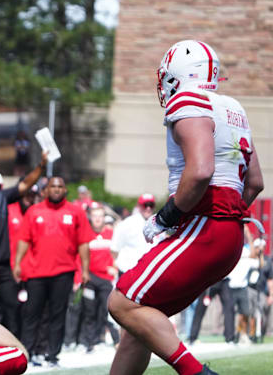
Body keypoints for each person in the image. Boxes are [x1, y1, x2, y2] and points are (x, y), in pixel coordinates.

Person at [108, 40, 264, 375]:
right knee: (139, 327)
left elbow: (201, 170)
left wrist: (167, 216)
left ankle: (196, 372)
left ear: (178, 74)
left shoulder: (189, 100)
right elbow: (255, 184)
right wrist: (228, 221)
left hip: (203, 224)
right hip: (230, 233)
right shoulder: (233, 107)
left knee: (121, 302)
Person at [14, 176, 91, 367]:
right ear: (45, 190)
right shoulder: (33, 211)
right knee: (32, 314)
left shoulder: (76, 212)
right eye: (52, 186)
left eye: (60, 186)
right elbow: (24, 240)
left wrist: (86, 269)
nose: (56, 189)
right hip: (36, 273)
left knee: (58, 315)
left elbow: (83, 243)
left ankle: (52, 356)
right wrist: (17, 263)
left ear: (65, 190)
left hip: (64, 272)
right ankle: (27, 355)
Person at [0, 158, 46, 338]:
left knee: (12, 307)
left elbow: (24, 185)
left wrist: (41, 165)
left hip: (2, 266)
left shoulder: (0, 199)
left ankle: (12, 349)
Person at [79, 204, 119, 352]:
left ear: (104, 218)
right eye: (94, 216)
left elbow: (117, 253)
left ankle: (116, 340)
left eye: (100, 216)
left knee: (109, 309)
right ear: (91, 217)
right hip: (90, 278)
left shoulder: (111, 234)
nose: (97, 219)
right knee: (89, 310)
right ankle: (90, 342)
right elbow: (80, 257)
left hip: (106, 279)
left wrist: (114, 267)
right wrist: (80, 276)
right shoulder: (86, 234)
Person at [110, 193, 158, 275]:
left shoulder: (158, 223)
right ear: (139, 206)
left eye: (151, 205)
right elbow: (115, 249)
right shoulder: (127, 224)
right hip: (128, 271)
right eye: (145, 205)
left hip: (148, 272)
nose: (148, 208)